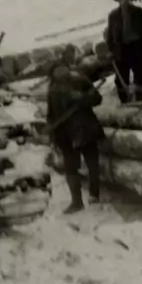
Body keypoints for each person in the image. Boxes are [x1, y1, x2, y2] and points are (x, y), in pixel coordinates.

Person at [47, 60, 105, 213]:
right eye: (57, 70)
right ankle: (76, 202)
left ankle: (94, 195)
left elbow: (97, 99)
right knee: (71, 168)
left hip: (85, 128)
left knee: (92, 163)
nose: (60, 72)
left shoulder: (80, 81)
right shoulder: (52, 89)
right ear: (52, 73)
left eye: (63, 68)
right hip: (65, 133)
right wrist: (52, 134)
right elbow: (51, 114)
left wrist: (82, 98)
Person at [104, 0, 142, 103]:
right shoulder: (113, 15)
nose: (124, 1)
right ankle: (125, 102)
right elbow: (110, 34)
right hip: (121, 50)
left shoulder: (140, 13)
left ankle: (140, 101)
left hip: (136, 48)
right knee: (121, 79)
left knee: (139, 77)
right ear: (118, 0)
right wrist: (110, 49)